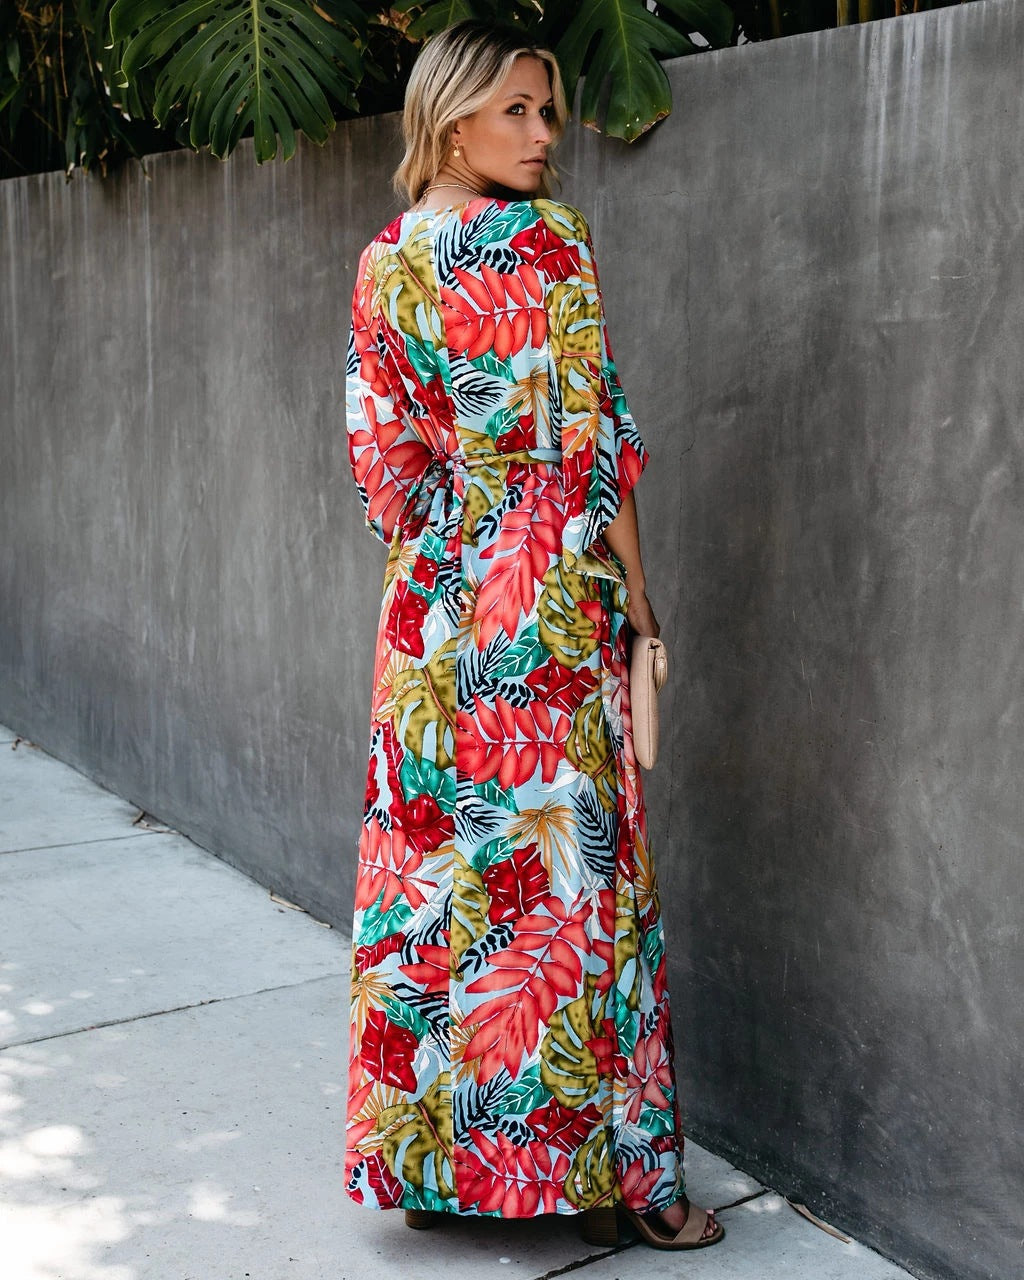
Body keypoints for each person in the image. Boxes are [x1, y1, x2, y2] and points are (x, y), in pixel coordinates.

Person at [343, 19, 723, 1252]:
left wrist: (448, 557)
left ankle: (438, 1165)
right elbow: (597, 440)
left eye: (547, 112)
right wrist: (639, 594)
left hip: (433, 608)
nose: (544, 135)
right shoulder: (552, 242)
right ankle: (641, 1180)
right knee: (576, 884)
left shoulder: (381, 262)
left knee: (437, 878)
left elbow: (383, 468)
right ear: (452, 117)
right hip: (547, 592)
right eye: (519, 110)